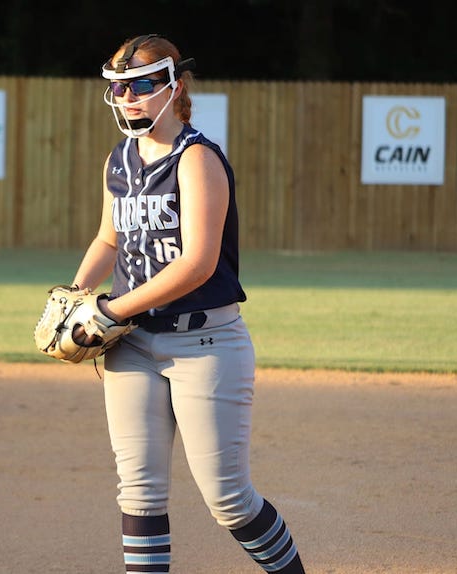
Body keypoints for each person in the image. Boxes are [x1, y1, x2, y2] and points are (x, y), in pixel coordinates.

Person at [68, 35, 306, 572]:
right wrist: (76, 294)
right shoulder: (120, 160)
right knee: (139, 495)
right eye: (120, 87)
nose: (129, 96)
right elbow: (109, 240)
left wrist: (111, 310)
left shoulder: (197, 160)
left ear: (174, 87)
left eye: (142, 85)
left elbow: (197, 263)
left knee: (229, 500)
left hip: (205, 343)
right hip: (131, 344)